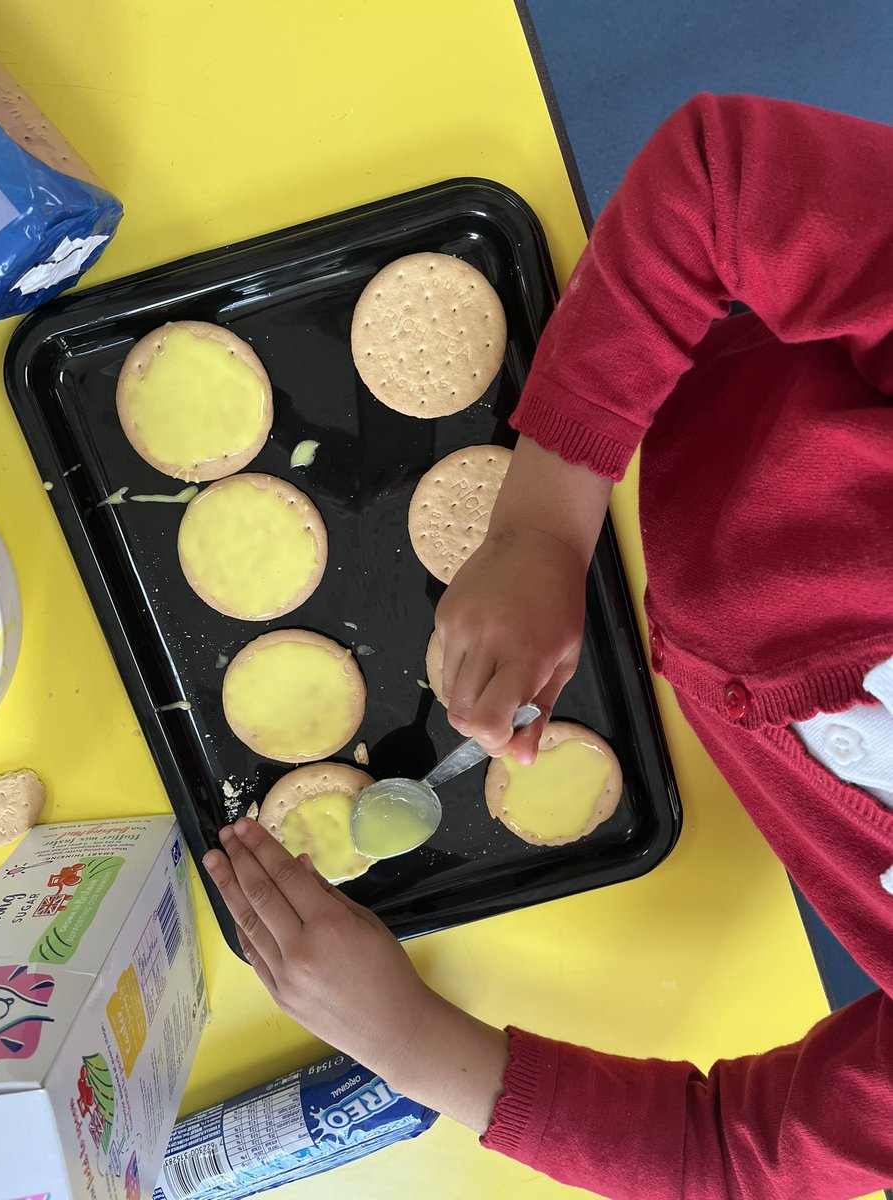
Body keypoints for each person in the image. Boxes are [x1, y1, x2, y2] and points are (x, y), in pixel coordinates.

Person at [204, 93, 893, 1198]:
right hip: (677, 380)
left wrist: (411, 1042)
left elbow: (737, 1158)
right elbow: (723, 181)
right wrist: (542, 517)